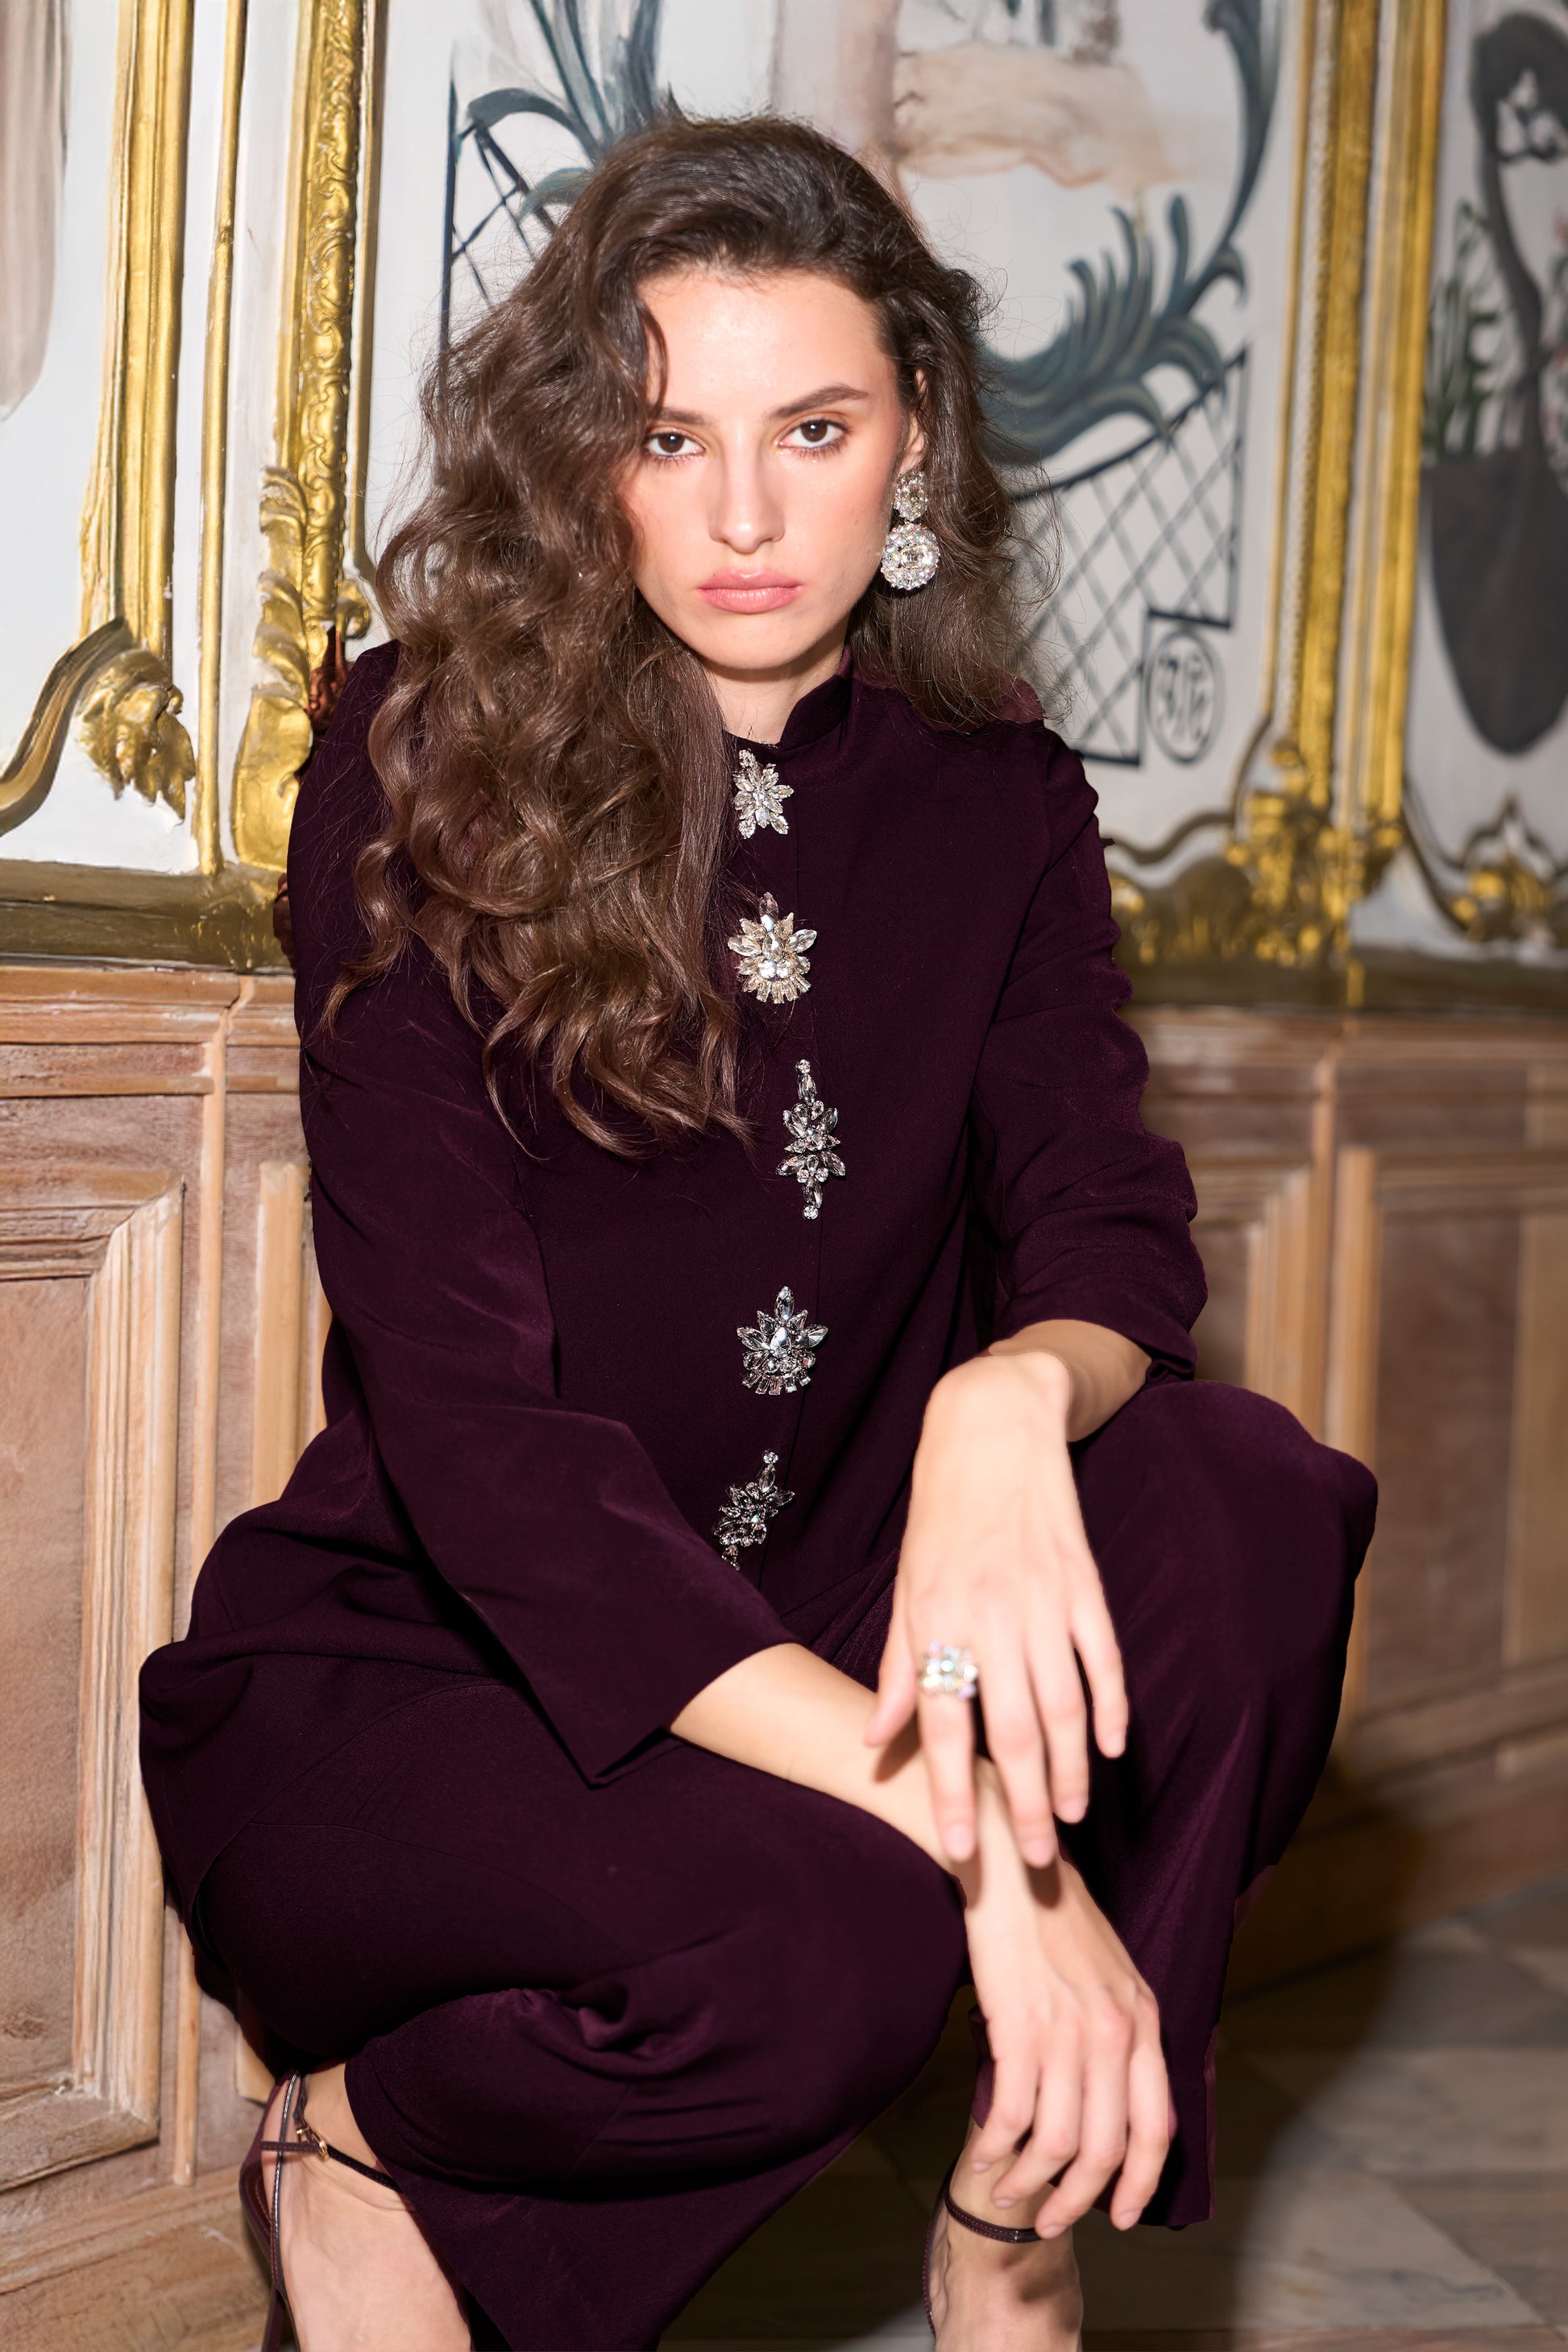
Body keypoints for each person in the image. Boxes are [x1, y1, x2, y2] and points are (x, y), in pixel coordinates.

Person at [138, 113, 1376, 2352]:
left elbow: (1107, 1219)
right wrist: (989, 1855)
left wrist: (1012, 1398)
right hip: (435, 1682)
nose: (739, 516)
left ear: (911, 443)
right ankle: (375, 2140)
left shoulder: (1000, 799)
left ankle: (1018, 2206)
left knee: (1248, 1502)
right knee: (837, 1953)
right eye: (665, 436)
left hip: (847, 1593)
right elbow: (477, 1444)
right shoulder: (417, 759)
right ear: (579, 462)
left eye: (811, 430)